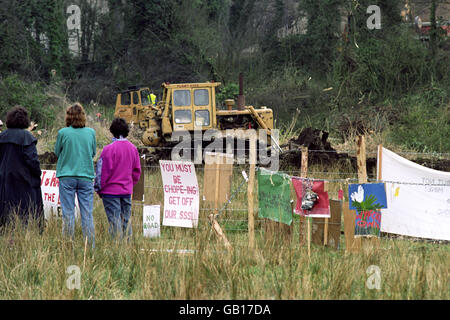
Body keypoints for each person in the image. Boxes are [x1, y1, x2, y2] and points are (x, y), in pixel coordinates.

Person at [55, 103, 96, 247]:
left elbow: (57, 152)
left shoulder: (63, 133)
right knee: (87, 213)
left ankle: (67, 245)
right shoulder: (91, 132)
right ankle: (89, 246)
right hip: (86, 175)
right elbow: (92, 153)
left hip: (67, 176)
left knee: (68, 213)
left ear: (68, 117)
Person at [94, 118, 141, 239]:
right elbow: (137, 172)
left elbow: (101, 172)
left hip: (110, 192)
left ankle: (117, 249)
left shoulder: (108, 149)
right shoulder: (133, 149)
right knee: (126, 221)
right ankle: (128, 247)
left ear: (112, 131)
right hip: (126, 191)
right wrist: (130, 184)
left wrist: (99, 189)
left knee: (115, 222)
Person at [0, 106, 44, 231]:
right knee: (24, 213)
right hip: (23, 181)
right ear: (24, 120)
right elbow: (32, 160)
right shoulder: (26, 137)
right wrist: (37, 173)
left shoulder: (2, 136)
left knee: (5, 212)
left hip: (3, 180)